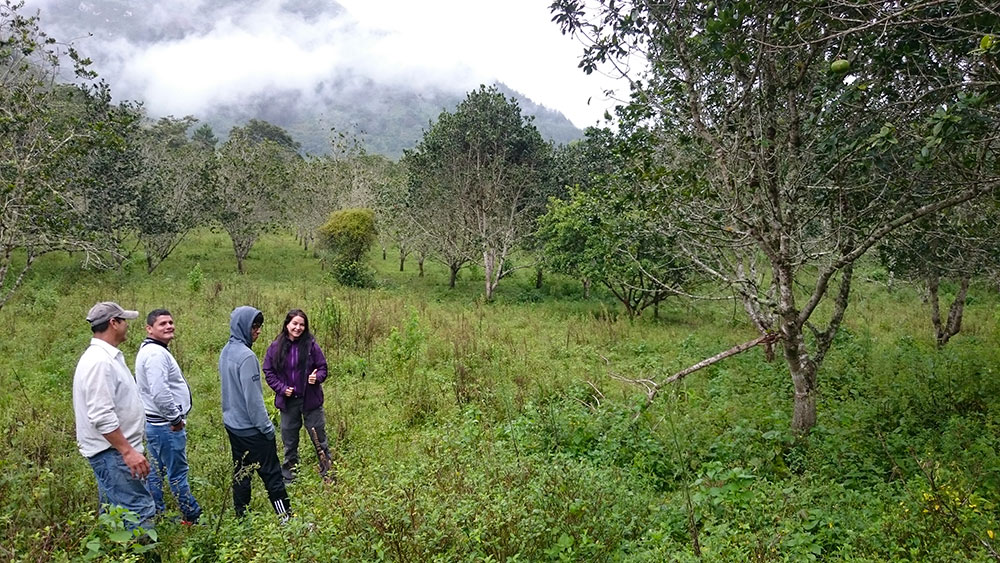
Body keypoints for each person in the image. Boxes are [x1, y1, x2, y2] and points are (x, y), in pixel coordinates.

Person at [73, 301, 156, 532]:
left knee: (114, 512)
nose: (127, 326)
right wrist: (127, 451)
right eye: (124, 321)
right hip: (112, 453)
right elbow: (100, 414)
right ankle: (141, 555)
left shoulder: (105, 357)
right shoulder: (99, 361)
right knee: (138, 509)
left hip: (113, 452)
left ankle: (114, 553)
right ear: (113, 323)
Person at [219, 306, 291, 520]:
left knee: (242, 474)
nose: (258, 331)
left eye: (259, 326)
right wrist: (267, 429)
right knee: (273, 477)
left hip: (233, 426)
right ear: (243, 327)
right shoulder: (247, 357)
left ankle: (242, 518)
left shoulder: (226, 351)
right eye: (254, 327)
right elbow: (254, 402)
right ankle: (287, 520)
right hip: (252, 430)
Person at [135, 309, 202, 524]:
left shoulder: (150, 350)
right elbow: (160, 392)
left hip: (155, 424)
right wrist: (175, 419)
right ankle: (192, 515)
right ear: (149, 328)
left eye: (171, 322)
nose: (169, 326)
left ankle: (157, 512)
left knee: (155, 471)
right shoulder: (155, 354)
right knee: (177, 472)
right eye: (162, 323)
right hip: (166, 426)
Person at [262, 309, 331, 483]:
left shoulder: (311, 345)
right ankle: (290, 477)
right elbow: (268, 371)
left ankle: (327, 473)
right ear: (287, 324)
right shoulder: (276, 347)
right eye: (294, 324)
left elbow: (323, 367)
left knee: (319, 438)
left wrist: (317, 378)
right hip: (288, 401)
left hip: (311, 400)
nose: (298, 328)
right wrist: (281, 388)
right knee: (289, 440)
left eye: (302, 325)